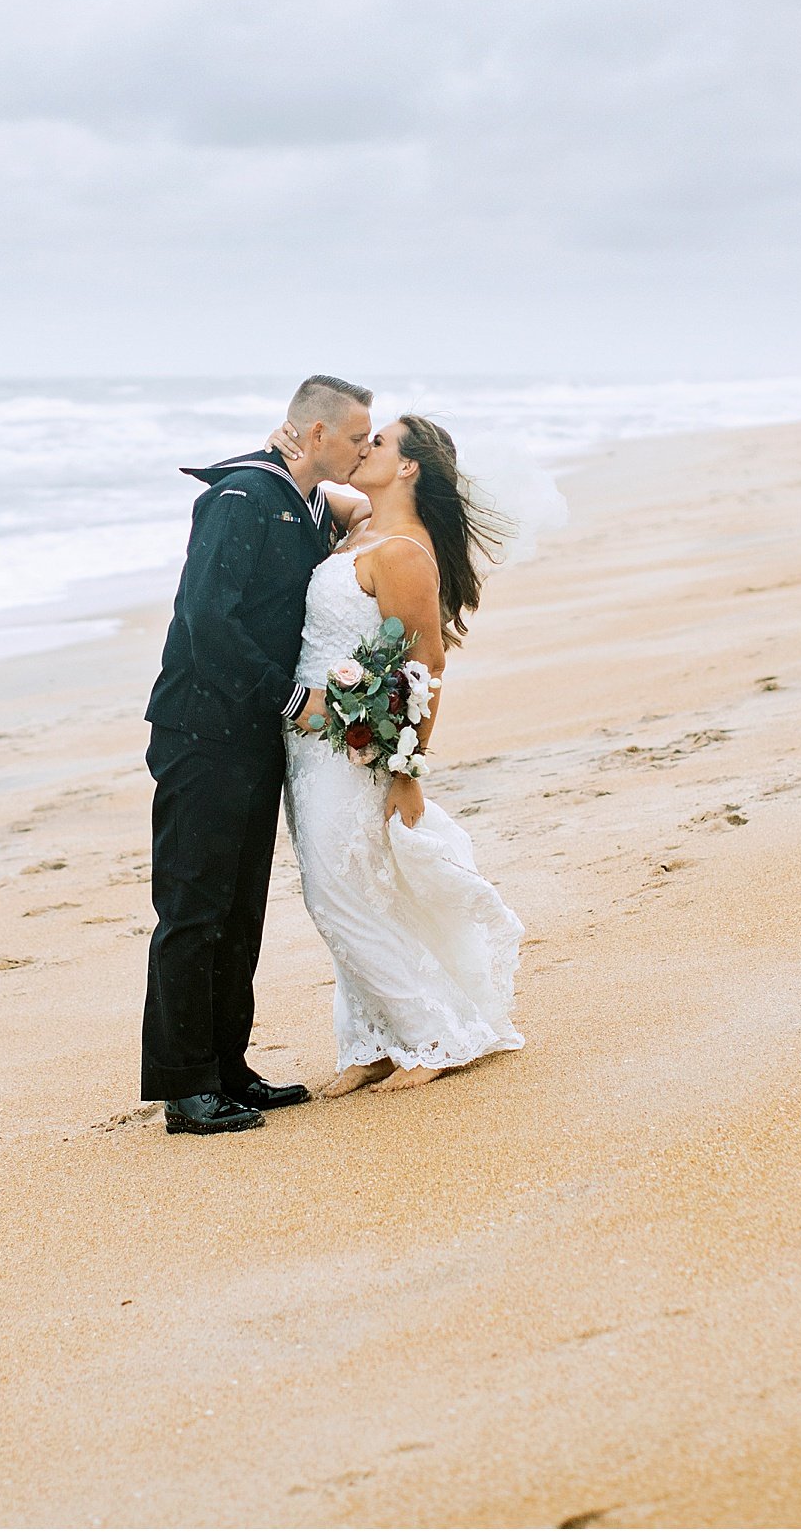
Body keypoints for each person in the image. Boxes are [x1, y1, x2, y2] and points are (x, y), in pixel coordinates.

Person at [139, 374, 375, 1135]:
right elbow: (206, 619)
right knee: (193, 905)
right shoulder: (238, 497)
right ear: (313, 434)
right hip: (201, 734)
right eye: (356, 438)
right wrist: (286, 698)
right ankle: (186, 1088)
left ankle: (229, 1069)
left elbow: (337, 516)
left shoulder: (304, 499)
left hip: (251, 740)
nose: (366, 449)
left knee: (240, 912)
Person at [278, 414, 524, 1095]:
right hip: (305, 744)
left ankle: (432, 1034)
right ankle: (371, 1040)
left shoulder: (404, 551)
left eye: (378, 443)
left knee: (337, 890)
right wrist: (293, 450)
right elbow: (305, 484)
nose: (364, 449)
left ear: (408, 466)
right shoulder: (357, 523)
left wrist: (408, 769)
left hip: (354, 748)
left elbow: (427, 662)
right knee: (345, 886)